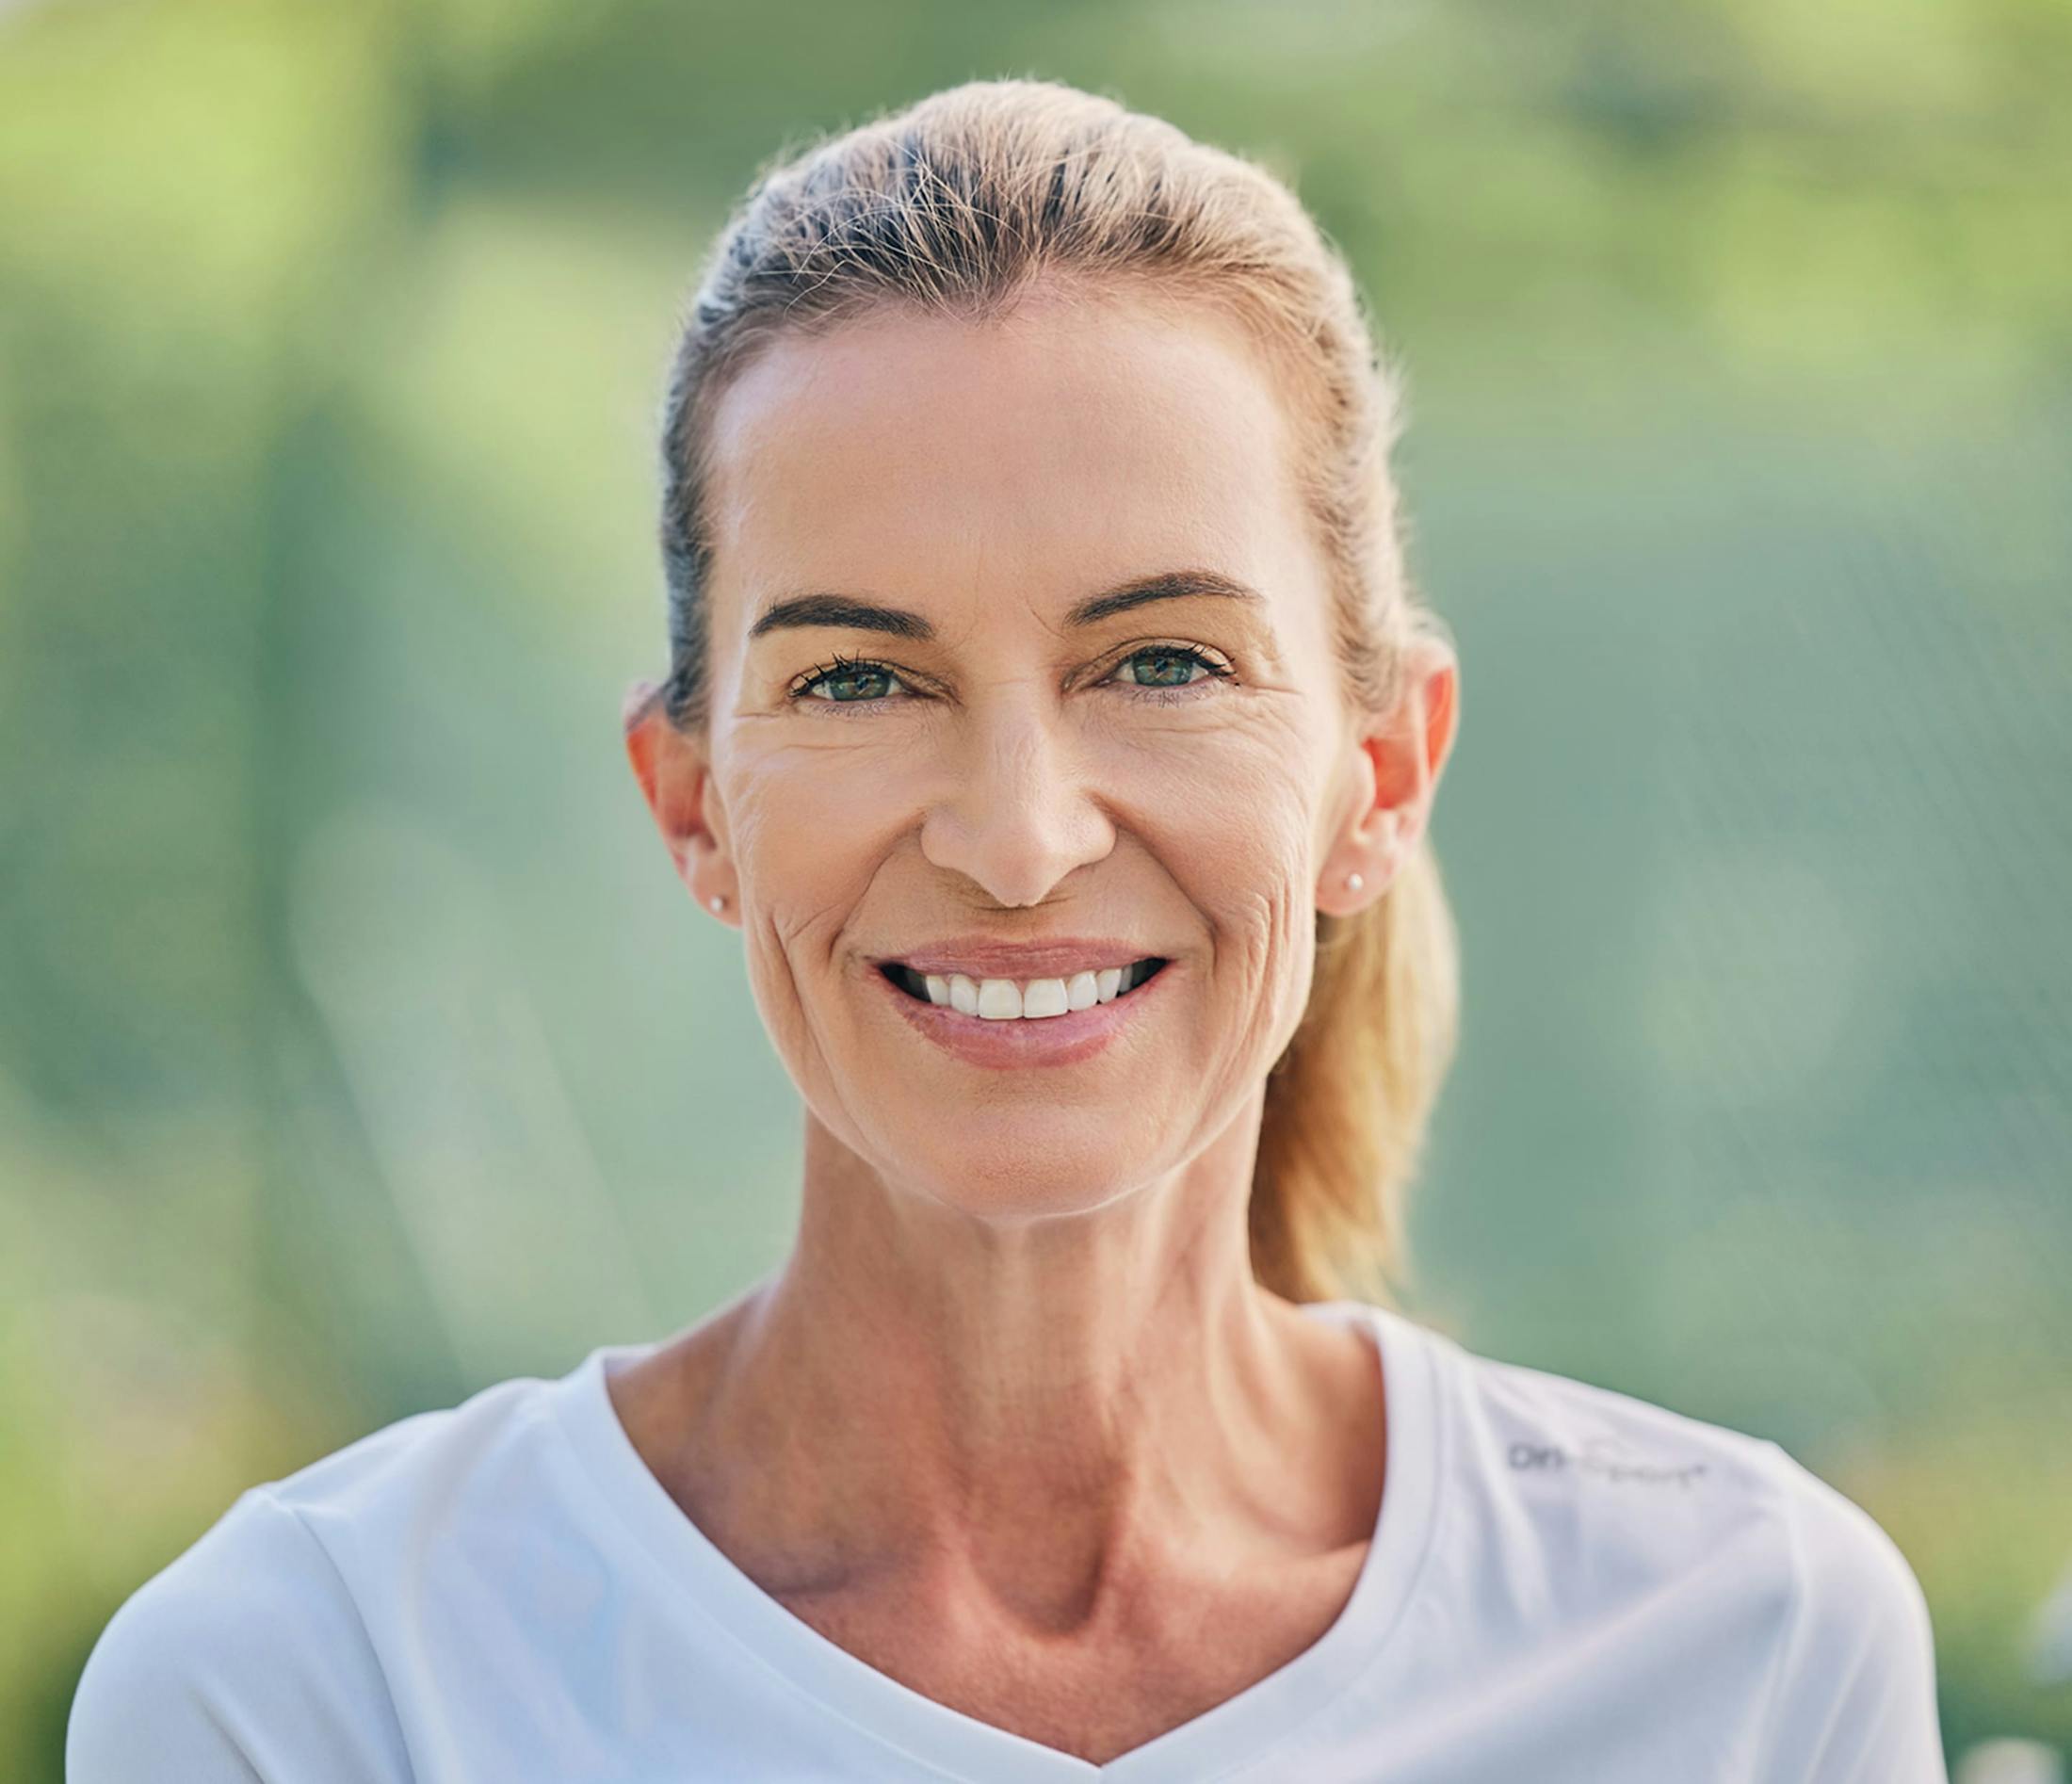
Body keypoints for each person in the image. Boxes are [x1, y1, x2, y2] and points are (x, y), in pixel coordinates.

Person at [67, 76, 1948, 1782]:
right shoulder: (322, 1686)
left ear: (1375, 774)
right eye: (862, 680)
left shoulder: (1742, 1647)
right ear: (690, 798)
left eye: (1157, 660)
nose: (1018, 838)